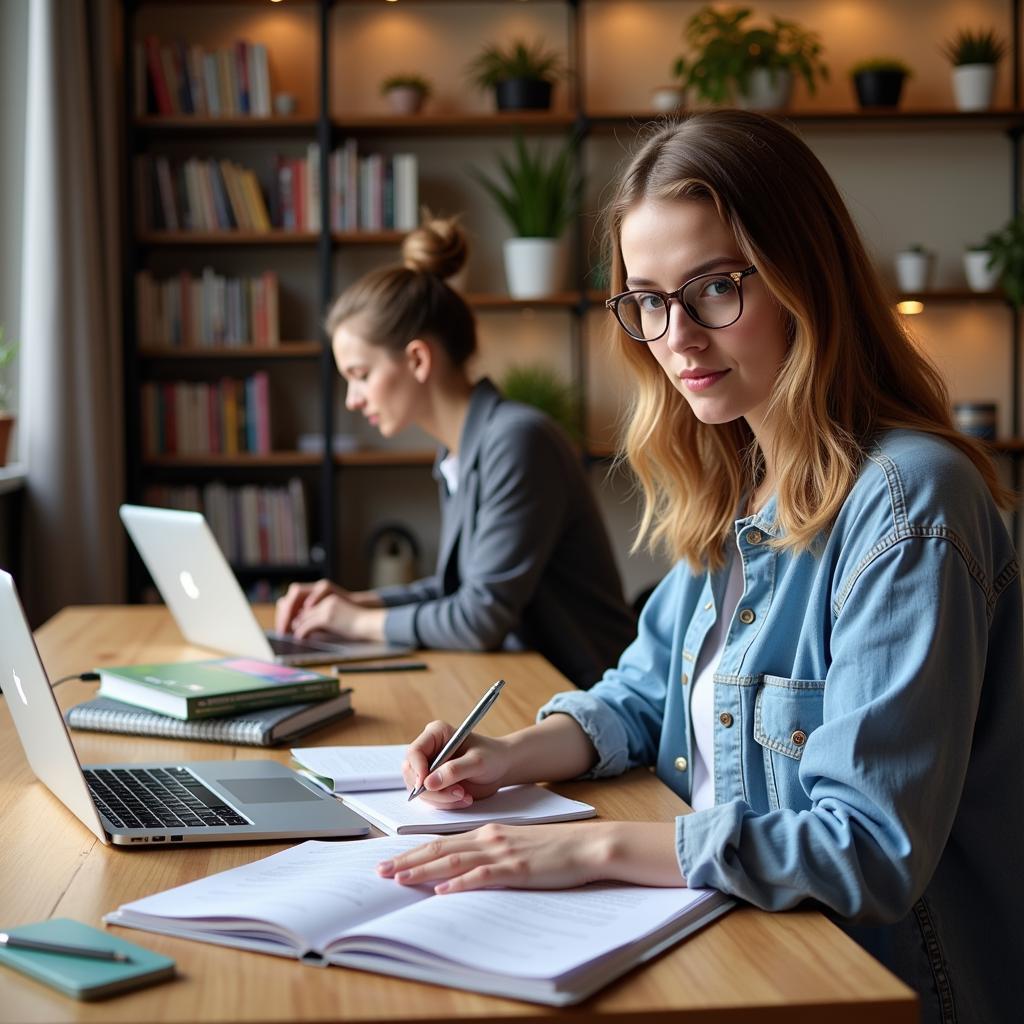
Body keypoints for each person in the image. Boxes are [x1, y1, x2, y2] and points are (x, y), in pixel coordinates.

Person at [376, 112, 1024, 1024]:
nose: (675, 335)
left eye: (714, 287)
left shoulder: (911, 505)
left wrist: (592, 851)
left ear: (807, 276)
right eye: (645, 299)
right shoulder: (741, 480)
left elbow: (866, 847)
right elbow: (643, 694)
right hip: (733, 936)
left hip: (866, 986)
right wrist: (508, 756)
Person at [274, 216, 636, 689]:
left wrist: (353, 623)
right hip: (531, 683)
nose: (352, 399)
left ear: (418, 359)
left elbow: (478, 617)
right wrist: (357, 602)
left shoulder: (517, 441)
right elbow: (459, 588)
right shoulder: (463, 451)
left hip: (587, 695)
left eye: (360, 375)